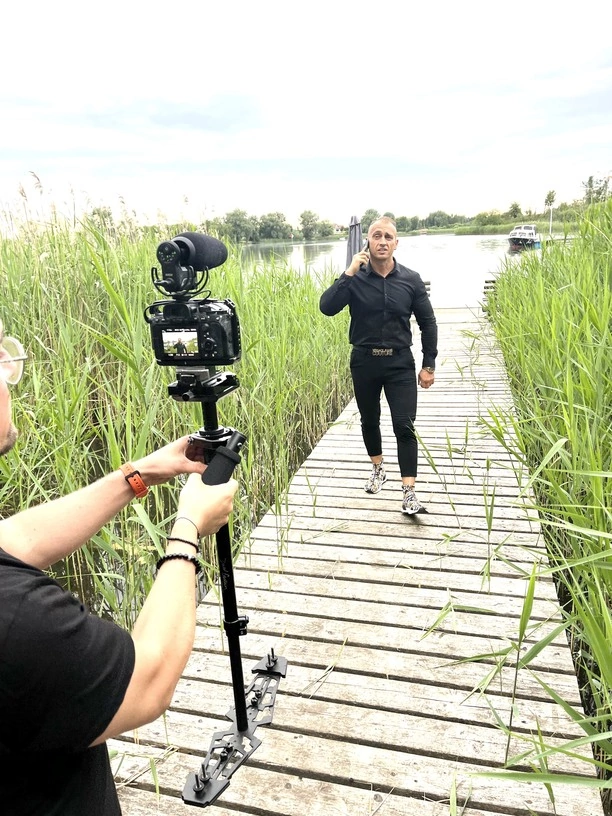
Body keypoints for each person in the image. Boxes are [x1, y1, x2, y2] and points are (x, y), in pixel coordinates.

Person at [0, 317, 238, 815]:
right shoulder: (17, 620)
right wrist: (189, 527)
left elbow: (15, 539)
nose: (8, 376)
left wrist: (140, 473)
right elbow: (149, 679)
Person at [319, 217, 438, 514]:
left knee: (404, 425)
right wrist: (348, 272)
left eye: (388, 237)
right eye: (376, 236)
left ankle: (409, 492)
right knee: (369, 420)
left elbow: (428, 323)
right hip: (364, 362)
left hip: (399, 363)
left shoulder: (411, 279)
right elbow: (327, 307)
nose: (382, 241)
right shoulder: (354, 279)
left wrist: (429, 365)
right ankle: (378, 468)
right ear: (368, 242)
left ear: (396, 243)